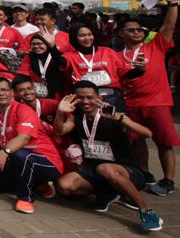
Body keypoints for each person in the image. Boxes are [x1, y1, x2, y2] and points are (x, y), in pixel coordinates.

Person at [53, 81, 164, 232]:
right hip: (95, 171)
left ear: (98, 98)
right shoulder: (77, 117)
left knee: (105, 168)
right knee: (64, 186)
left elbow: (147, 133)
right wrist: (60, 112)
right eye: (80, 98)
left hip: (127, 171)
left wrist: (120, 118)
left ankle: (147, 211)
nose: (85, 101)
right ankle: (109, 193)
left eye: (89, 97)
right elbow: (60, 131)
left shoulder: (112, 115)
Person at [117, 5, 179, 196]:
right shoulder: (116, 56)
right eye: (131, 30)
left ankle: (168, 180)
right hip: (131, 105)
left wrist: (173, 4)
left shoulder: (155, 46)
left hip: (157, 102)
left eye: (139, 30)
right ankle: (144, 174)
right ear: (121, 34)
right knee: (137, 142)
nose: (137, 32)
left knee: (164, 142)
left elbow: (169, 26)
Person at [0, 77, 64, 214]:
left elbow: (24, 138)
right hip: (16, 159)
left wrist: (3, 152)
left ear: (11, 92)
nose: (0, 93)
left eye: (4, 90)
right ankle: (36, 183)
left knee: (21, 155)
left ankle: (26, 198)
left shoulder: (23, 109)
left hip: (46, 161)